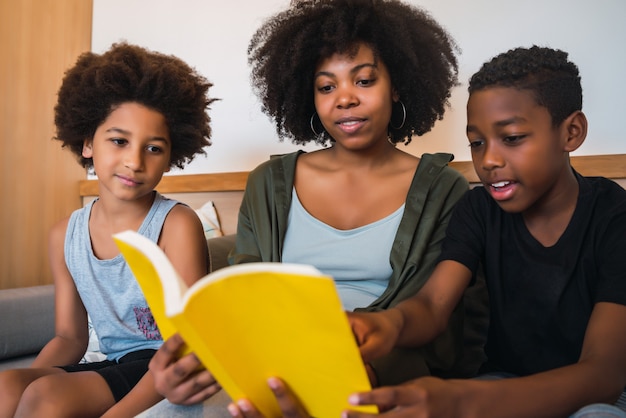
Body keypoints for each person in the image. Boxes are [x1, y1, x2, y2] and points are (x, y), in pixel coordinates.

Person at [228, 44, 626, 418]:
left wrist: (459, 399)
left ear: (571, 133)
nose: (488, 160)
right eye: (476, 142)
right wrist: (387, 325)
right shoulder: (479, 209)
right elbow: (433, 305)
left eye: (513, 138)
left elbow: (604, 376)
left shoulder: (614, 219)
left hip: (591, 396)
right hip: (500, 382)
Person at [142, 0, 472, 416]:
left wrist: (350, 367)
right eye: (326, 86)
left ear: (398, 85)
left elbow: (430, 315)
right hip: (272, 366)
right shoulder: (269, 183)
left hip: (377, 377)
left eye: (364, 80)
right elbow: (243, 296)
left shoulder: (444, 190)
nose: (345, 99)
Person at [0, 42, 216, 417]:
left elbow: (188, 345)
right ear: (87, 143)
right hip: (114, 364)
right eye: (119, 141)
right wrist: (26, 380)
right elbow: (70, 337)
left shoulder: (176, 224)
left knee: (47, 397)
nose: (134, 161)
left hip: (164, 368)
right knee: (6, 386)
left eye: (153, 148)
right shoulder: (64, 234)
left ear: (172, 154)